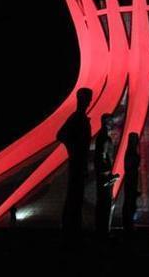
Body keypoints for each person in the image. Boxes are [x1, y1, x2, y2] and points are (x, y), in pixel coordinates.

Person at [57, 87, 93, 234]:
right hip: (76, 162)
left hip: (79, 161)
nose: (90, 101)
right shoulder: (77, 117)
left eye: (89, 99)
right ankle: (70, 227)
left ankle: (72, 226)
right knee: (74, 195)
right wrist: (73, 149)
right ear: (81, 100)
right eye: (88, 98)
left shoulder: (81, 117)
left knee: (76, 195)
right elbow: (60, 135)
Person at [94, 113, 119, 236]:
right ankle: (103, 231)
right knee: (106, 202)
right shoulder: (104, 138)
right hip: (104, 175)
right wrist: (107, 174)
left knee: (105, 202)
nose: (112, 124)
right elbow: (102, 156)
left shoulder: (103, 137)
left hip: (105, 174)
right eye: (111, 122)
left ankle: (103, 230)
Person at [122, 133, 140, 234]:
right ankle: (128, 225)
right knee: (130, 203)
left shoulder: (131, 151)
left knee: (130, 202)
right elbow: (130, 167)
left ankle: (129, 224)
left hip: (132, 180)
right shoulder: (131, 153)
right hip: (131, 180)